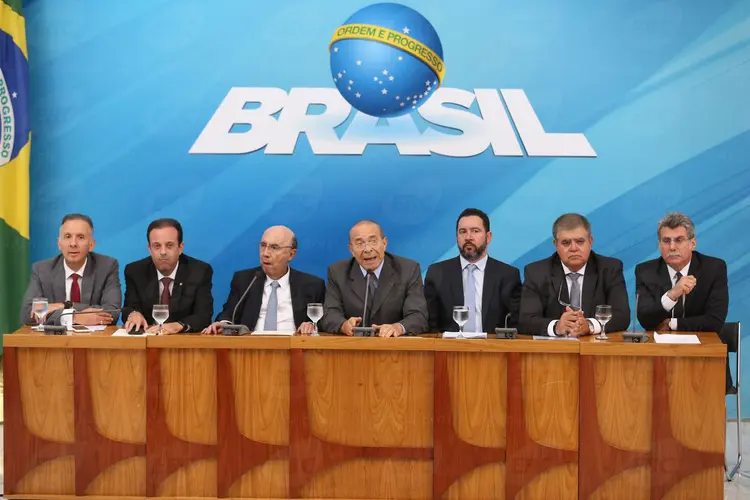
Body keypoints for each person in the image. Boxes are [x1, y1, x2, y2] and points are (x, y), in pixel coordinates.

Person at [635, 212, 731, 392]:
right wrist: (672, 294)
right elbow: (645, 319)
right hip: (659, 358)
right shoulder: (645, 271)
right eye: (666, 241)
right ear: (659, 245)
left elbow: (715, 321)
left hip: (704, 359)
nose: (672, 247)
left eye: (679, 240)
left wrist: (672, 323)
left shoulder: (714, 268)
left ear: (692, 243)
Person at [519, 213, 630, 337]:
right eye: (566, 243)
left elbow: (622, 316)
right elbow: (525, 320)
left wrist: (589, 325)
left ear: (590, 241)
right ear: (555, 244)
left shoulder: (609, 269)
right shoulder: (537, 272)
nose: (573, 248)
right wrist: (557, 326)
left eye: (580, 241)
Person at [203, 225, 325, 335]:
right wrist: (224, 323)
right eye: (263, 245)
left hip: (295, 349)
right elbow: (229, 313)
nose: (265, 253)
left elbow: (324, 323)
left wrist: (311, 325)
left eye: (274, 247)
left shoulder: (312, 285)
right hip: (251, 349)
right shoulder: (245, 280)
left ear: (291, 254)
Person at [320, 220, 428, 337]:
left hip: (395, 348)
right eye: (360, 243)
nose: (367, 249)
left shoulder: (408, 269)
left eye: (373, 241)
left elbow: (418, 316)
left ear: (384, 243)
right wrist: (344, 325)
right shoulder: (338, 272)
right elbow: (329, 313)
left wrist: (397, 328)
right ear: (351, 249)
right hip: (353, 347)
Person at [424, 208, 521, 333]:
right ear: (457, 237)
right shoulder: (437, 272)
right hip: (449, 348)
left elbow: (515, 322)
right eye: (462, 232)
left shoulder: (508, 275)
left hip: (493, 348)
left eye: (475, 231)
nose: (468, 237)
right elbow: (429, 323)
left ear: (488, 237)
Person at [20, 213, 121, 327]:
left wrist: (64, 306)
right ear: (59, 243)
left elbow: (113, 312)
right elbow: (27, 314)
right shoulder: (42, 270)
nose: (73, 244)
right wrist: (74, 317)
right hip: (53, 343)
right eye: (68, 236)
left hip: (95, 342)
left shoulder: (107, 266)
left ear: (91, 244)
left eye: (80, 237)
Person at [122, 218, 213, 334]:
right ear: (149, 249)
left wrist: (179, 325)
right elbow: (129, 307)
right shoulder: (135, 271)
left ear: (180, 248)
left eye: (169, 245)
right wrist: (133, 314)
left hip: (183, 343)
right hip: (147, 339)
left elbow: (204, 316)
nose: (163, 252)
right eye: (157, 246)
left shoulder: (199, 271)